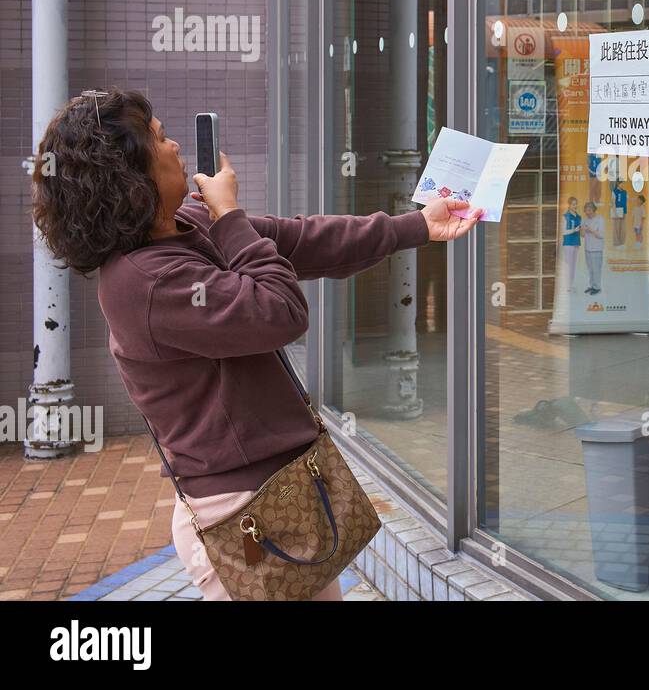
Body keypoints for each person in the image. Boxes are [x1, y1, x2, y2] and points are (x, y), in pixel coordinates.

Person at [29, 88, 483, 600]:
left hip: (282, 496)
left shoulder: (186, 227)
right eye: (159, 138)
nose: (176, 144)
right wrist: (229, 216)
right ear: (130, 180)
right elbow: (279, 310)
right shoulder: (145, 283)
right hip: (243, 516)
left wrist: (416, 225)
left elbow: (300, 241)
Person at [581, 200, 605, 295]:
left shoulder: (600, 219)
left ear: (594, 210)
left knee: (596, 269)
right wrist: (582, 230)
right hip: (588, 248)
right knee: (590, 269)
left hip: (597, 249)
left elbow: (601, 235)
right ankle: (592, 286)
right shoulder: (585, 220)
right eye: (586, 211)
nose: (587, 213)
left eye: (589, 211)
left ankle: (597, 287)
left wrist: (591, 230)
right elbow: (582, 235)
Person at [560, 196, 582, 292]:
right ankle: (566, 286)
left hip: (576, 243)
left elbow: (580, 232)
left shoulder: (579, 217)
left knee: (573, 266)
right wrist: (574, 230)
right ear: (569, 205)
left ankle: (570, 285)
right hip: (568, 244)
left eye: (576, 204)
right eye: (573, 204)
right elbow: (563, 232)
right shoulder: (565, 216)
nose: (575, 206)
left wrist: (582, 230)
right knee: (568, 266)